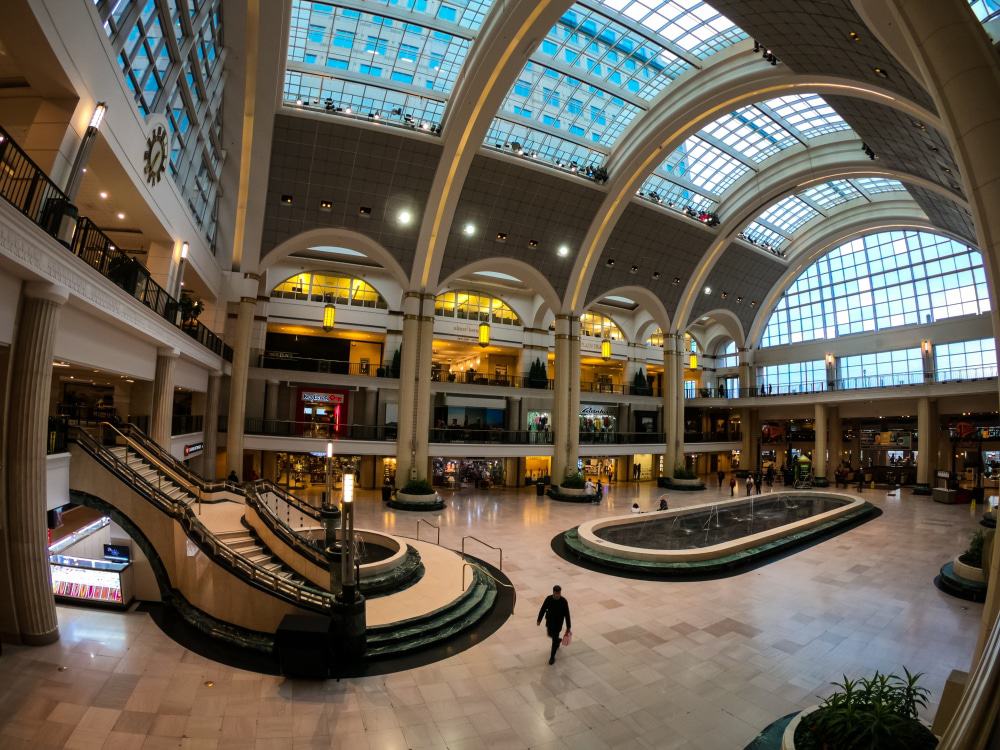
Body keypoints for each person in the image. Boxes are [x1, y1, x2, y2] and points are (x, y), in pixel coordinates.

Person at [537, 585, 571, 665]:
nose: (557, 595)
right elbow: (543, 609)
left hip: (558, 624)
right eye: (556, 593)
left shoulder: (563, 601)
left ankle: (552, 657)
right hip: (549, 622)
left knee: (554, 640)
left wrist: (568, 626)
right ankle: (558, 640)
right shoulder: (549, 599)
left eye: (559, 593)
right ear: (553, 592)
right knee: (549, 634)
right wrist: (539, 619)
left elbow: (567, 614)